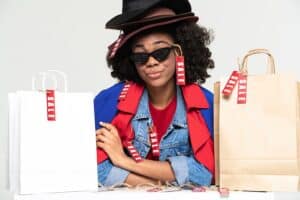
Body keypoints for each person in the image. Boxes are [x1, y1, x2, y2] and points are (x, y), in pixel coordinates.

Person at [94, 0, 215, 187]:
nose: (151, 62)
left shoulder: (206, 105)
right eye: (140, 56)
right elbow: (95, 168)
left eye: (160, 53)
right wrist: (156, 184)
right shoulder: (109, 102)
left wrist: (123, 160)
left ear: (179, 51)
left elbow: (205, 173)